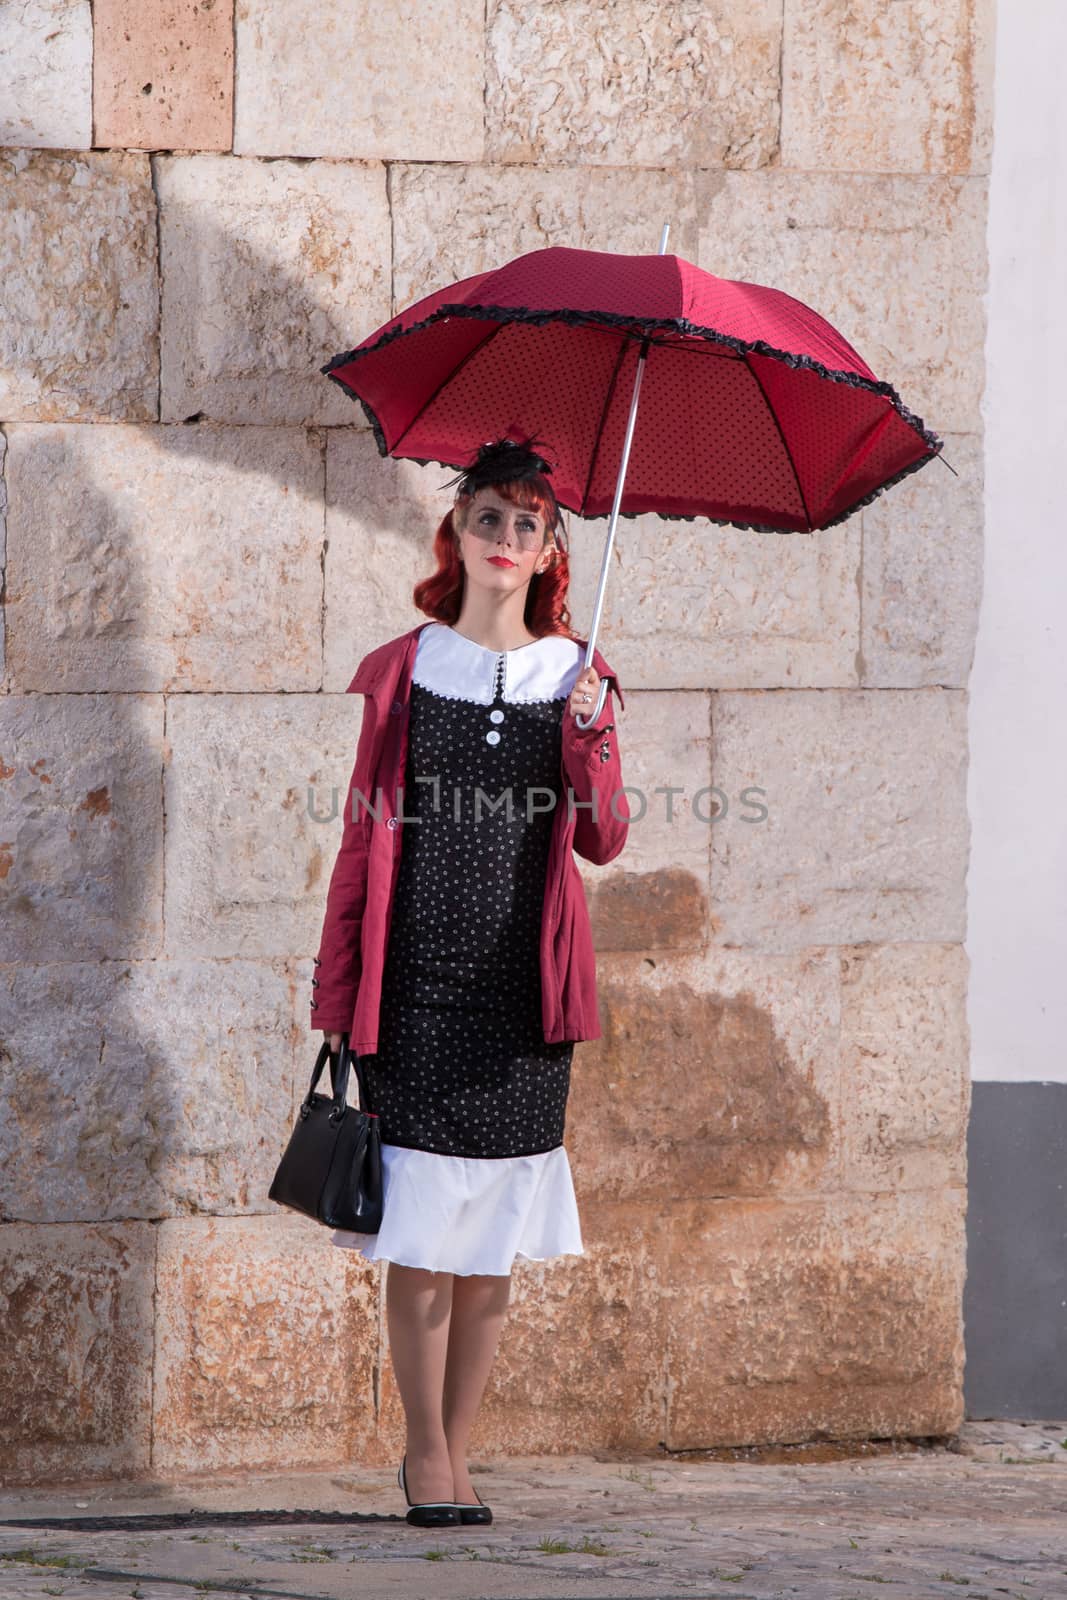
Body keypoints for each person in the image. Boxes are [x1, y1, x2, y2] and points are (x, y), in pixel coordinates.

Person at [309, 436, 629, 1527]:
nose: (503, 539)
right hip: (413, 990)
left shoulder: (576, 678)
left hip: (521, 997)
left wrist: (588, 741)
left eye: (524, 524)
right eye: (486, 517)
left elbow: (604, 840)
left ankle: (463, 1445)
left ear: (549, 551)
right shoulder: (406, 669)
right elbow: (361, 844)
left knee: (488, 1236)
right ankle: (423, 1449)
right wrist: (336, 993)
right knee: (420, 1234)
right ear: (456, 532)